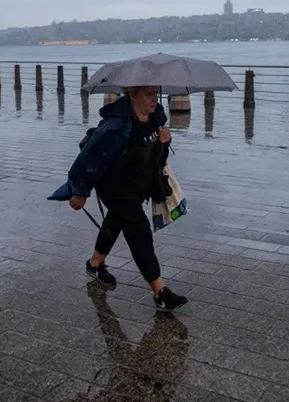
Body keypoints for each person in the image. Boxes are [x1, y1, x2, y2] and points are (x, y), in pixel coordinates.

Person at [49, 86, 189, 312]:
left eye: (155, 93)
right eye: (148, 94)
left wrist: (164, 142)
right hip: (114, 186)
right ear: (133, 95)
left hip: (139, 185)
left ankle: (94, 264)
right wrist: (79, 191)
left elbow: (157, 158)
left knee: (115, 221)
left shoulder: (157, 117)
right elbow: (90, 158)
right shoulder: (115, 125)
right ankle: (160, 291)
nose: (153, 99)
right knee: (139, 231)